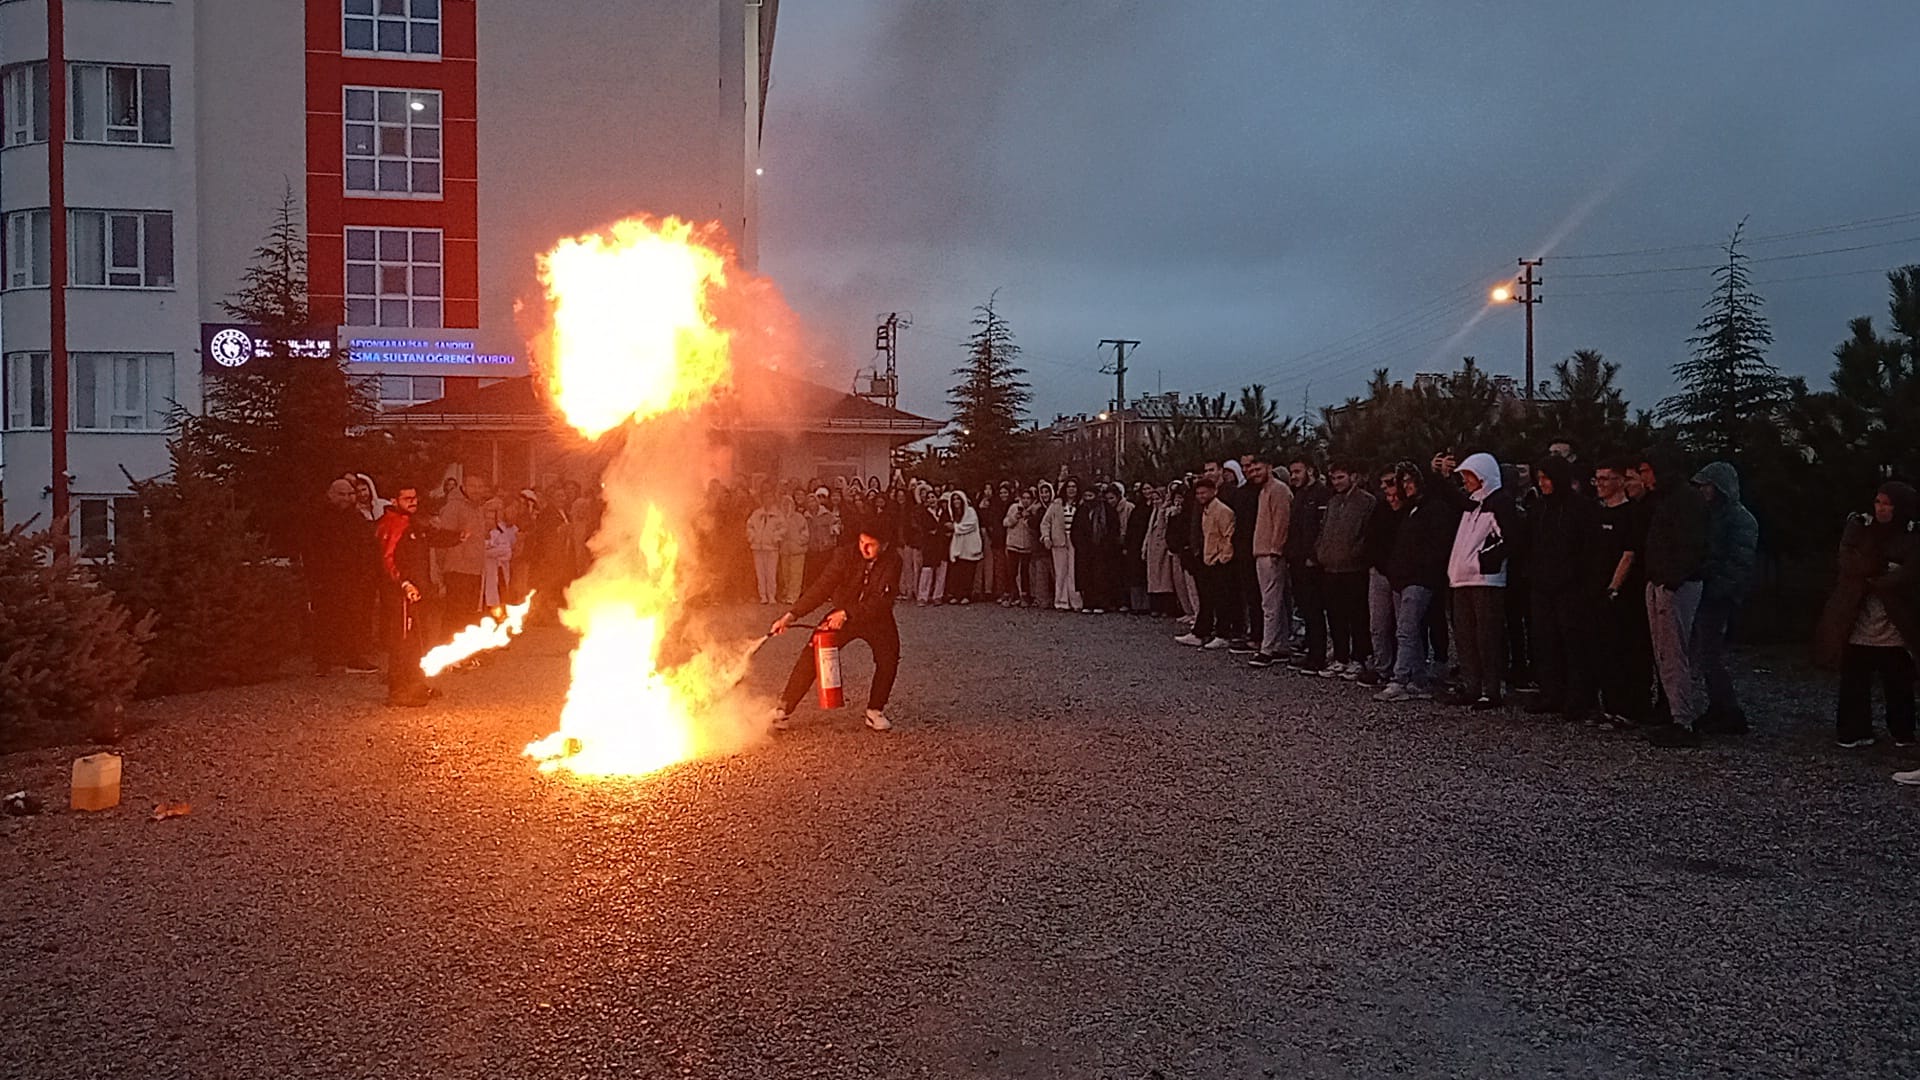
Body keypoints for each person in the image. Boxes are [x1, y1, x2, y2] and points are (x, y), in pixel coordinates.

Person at [768, 526, 903, 732]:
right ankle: (783, 710)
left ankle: (875, 710)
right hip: (840, 616)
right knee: (812, 653)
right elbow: (823, 586)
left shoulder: (893, 561)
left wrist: (847, 613)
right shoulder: (845, 555)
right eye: (861, 542)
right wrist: (791, 615)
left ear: (884, 545)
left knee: (889, 659)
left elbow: (881, 600)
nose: (864, 549)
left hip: (876, 618)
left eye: (871, 545)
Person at [1814, 482, 1918, 750]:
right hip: (1858, 614)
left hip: (1894, 618)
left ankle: (1903, 731)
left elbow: (1908, 572)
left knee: (1898, 681)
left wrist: (1880, 574)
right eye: (1878, 502)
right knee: (1854, 679)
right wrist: (1879, 568)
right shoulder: (1860, 528)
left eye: (1887, 504)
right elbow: (1848, 561)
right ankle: (1853, 730)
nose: (1882, 508)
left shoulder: (1910, 534)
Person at [1524, 454, 1606, 723]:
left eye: (1547, 478)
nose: (1543, 483)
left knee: (1573, 644)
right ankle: (1550, 693)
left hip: (1572, 588)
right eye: (1540, 478)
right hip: (1542, 586)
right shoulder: (1538, 509)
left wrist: (1582, 582)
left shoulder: (1581, 509)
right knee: (1545, 642)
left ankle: (1578, 698)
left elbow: (1590, 550)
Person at [1435, 452, 1519, 709]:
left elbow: (1512, 538)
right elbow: (1451, 496)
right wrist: (1441, 475)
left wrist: (1484, 560)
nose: (1466, 481)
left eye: (1469, 475)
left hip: (1486, 580)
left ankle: (1492, 689)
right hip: (1461, 579)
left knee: (1487, 636)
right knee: (1465, 635)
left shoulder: (1500, 502)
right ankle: (1473, 686)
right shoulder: (1473, 502)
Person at [1637, 452, 1712, 746]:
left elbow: (1692, 547)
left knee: (1673, 651)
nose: (1643, 477)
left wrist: (1671, 579)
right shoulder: (1668, 499)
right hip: (1662, 581)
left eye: (1645, 470)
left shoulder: (1685, 502)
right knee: (1664, 652)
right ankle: (1673, 712)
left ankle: (1682, 720)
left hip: (1675, 585)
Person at [1684, 461, 1760, 738]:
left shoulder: (1740, 519)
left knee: (1710, 655)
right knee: (1706, 655)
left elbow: (1739, 564)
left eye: (1706, 485)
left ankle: (1728, 710)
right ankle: (1719, 707)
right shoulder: (1712, 515)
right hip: (1707, 591)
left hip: (1718, 596)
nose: (1702, 490)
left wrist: (1715, 589)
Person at [375, 484, 462, 708]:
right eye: (406, 498)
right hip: (400, 595)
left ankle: (415, 683)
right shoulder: (391, 525)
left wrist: (458, 537)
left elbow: (431, 537)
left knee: (417, 641)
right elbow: (387, 559)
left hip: (418, 592)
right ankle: (398, 690)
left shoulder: (414, 523)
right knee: (402, 641)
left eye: (414, 497)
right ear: (395, 501)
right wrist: (403, 583)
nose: (413, 502)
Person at [1376, 463, 1457, 702]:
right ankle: (1418, 679)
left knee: (1406, 630)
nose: (1406, 486)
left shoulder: (1435, 510)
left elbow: (1437, 547)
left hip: (1420, 579)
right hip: (1403, 579)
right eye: (1404, 481)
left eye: (1411, 480)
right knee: (1411, 631)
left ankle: (1400, 679)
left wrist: (1415, 570)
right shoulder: (1412, 510)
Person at [1595, 459, 1652, 727]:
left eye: (1606, 479)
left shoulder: (1632, 515)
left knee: (1626, 650)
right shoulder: (1598, 514)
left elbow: (1629, 554)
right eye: (1597, 479)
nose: (1600, 485)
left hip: (1622, 594)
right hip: (1597, 590)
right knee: (1604, 650)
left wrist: (1614, 587)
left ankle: (1631, 708)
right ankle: (1610, 705)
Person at [308, 477, 381, 675]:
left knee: (355, 619)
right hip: (328, 579)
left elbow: (367, 547)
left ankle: (354, 657)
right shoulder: (319, 519)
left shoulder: (355, 518)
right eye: (343, 494)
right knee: (327, 619)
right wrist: (316, 580)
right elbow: (312, 551)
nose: (348, 498)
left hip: (354, 578)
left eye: (350, 494)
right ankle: (324, 662)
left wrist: (367, 572)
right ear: (331, 495)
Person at [1316, 463, 1376, 678]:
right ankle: (1341, 656)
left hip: (1354, 568)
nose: (1336, 482)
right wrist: (1321, 551)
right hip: (1331, 567)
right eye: (1333, 478)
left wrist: (1355, 553)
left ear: (1353, 475)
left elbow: (1368, 534)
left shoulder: (1366, 502)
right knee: (1335, 615)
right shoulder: (1333, 502)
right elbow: (1324, 530)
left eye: (1341, 477)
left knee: (1357, 616)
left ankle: (1360, 658)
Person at [1174, 475, 1235, 648]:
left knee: (1220, 599)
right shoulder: (1205, 510)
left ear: (1213, 491)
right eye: (1198, 493)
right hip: (1205, 558)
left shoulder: (1222, 510)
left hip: (1218, 561)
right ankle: (1202, 632)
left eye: (1204, 492)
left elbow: (1228, 535)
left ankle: (1222, 634)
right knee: (1206, 598)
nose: (1201, 496)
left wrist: (1223, 558)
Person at [1286, 458, 1332, 672]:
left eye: (1297, 471)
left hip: (1312, 563)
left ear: (1310, 470)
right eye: (1291, 472)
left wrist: (1314, 555)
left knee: (1314, 610)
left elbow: (1322, 528)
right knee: (1305, 608)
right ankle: (1310, 651)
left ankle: (1318, 655)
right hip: (1296, 559)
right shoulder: (1299, 495)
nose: (1294, 476)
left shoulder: (1321, 494)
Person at [1360, 467, 1401, 686]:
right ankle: (1381, 666)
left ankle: (1404, 669)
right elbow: (1370, 537)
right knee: (1378, 624)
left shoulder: (1410, 509)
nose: (1385, 487)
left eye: (1390, 482)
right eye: (1383, 484)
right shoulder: (1380, 507)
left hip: (1401, 574)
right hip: (1379, 571)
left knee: (1403, 627)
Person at [437, 473, 490, 626]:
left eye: (480, 486)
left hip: (475, 570)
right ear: (464, 487)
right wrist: (443, 569)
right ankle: (447, 646)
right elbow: (442, 540)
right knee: (454, 615)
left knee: (469, 613)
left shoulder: (479, 509)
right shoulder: (453, 507)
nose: (477, 490)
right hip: (457, 570)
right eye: (473, 486)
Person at [1221, 460, 1260, 648]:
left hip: (1253, 547)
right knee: (1238, 592)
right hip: (1237, 547)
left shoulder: (1253, 491)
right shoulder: (1235, 493)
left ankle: (1256, 634)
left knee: (1255, 596)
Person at [1072, 483, 1122, 613]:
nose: (1088, 498)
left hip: (1102, 550)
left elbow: (1113, 529)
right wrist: (1081, 545)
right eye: (1086, 496)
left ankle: (1102, 603)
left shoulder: (1107, 510)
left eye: (1091, 495)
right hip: (1085, 550)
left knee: (1101, 577)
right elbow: (1076, 530)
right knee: (1087, 576)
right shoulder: (1082, 509)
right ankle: (1088, 603)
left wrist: (1106, 545)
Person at [1041, 479, 1082, 611]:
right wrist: (1046, 537)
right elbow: (1045, 522)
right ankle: (1061, 601)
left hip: (1076, 540)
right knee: (1060, 572)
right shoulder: (1056, 505)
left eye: (1074, 487)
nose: (1071, 489)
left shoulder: (1081, 504)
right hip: (1059, 541)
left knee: (1074, 572)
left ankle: (1076, 602)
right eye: (1069, 487)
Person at [945, 490, 984, 602]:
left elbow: (970, 525)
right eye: (954, 499)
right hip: (959, 546)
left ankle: (966, 595)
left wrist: (955, 527)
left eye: (958, 499)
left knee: (968, 571)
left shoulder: (970, 512)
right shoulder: (953, 514)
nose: (956, 501)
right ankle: (956, 595)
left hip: (969, 546)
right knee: (958, 572)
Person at [747, 492, 785, 605]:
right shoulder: (757, 513)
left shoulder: (778, 514)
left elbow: (783, 528)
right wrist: (753, 537)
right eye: (766, 498)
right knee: (760, 573)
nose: (768, 500)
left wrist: (775, 537)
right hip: (757, 547)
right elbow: (749, 526)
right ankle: (763, 595)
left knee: (771, 573)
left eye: (770, 497)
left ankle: (771, 595)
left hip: (772, 548)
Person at [1003, 487, 1038, 607]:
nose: (1026, 500)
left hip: (1027, 545)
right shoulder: (1013, 508)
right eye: (1024, 498)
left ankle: (1025, 595)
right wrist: (1015, 518)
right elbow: (1005, 522)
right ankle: (1013, 595)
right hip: (1013, 544)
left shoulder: (1034, 510)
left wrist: (1028, 518)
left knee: (1025, 572)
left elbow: (1035, 528)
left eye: (1028, 498)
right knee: (1012, 572)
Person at [481, 501, 518, 610]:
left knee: (499, 600)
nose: (489, 521)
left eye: (492, 518)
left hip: (498, 572)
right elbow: (477, 551)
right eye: (487, 518)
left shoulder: (501, 534)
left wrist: (488, 552)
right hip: (482, 572)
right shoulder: (478, 534)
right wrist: (490, 551)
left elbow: (506, 552)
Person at [803, 486, 840, 591]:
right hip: (811, 548)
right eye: (809, 502)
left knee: (825, 572)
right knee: (812, 572)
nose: (811, 504)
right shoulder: (805, 516)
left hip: (825, 548)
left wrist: (831, 538)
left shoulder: (827, 514)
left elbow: (836, 526)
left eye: (813, 501)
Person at [777, 493, 810, 605]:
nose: (786, 506)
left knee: (796, 574)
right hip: (784, 551)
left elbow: (805, 532)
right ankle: (786, 594)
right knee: (786, 574)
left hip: (797, 551)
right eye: (784, 504)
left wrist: (799, 542)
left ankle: (793, 596)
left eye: (788, 504)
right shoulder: (779, 518)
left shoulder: (799, 518)